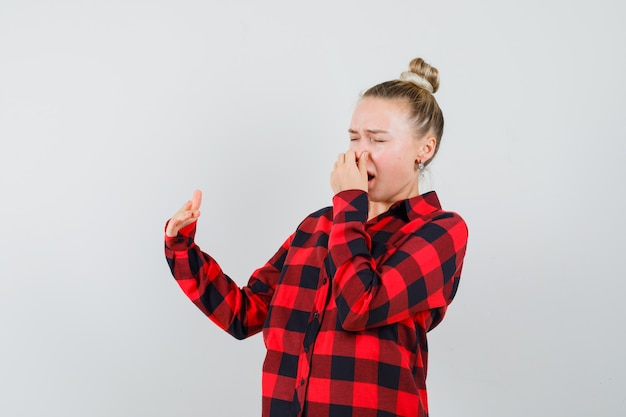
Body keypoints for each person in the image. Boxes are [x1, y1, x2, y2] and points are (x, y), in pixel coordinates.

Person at [164, 57, 469, 417]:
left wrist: (348, 203)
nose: (359, 151)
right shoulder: (318, 227)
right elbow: (244, 314)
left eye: (378, 139)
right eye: (354, 137)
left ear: (425, 149)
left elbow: (360, 306)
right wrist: (182, 247)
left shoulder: (440, 230)